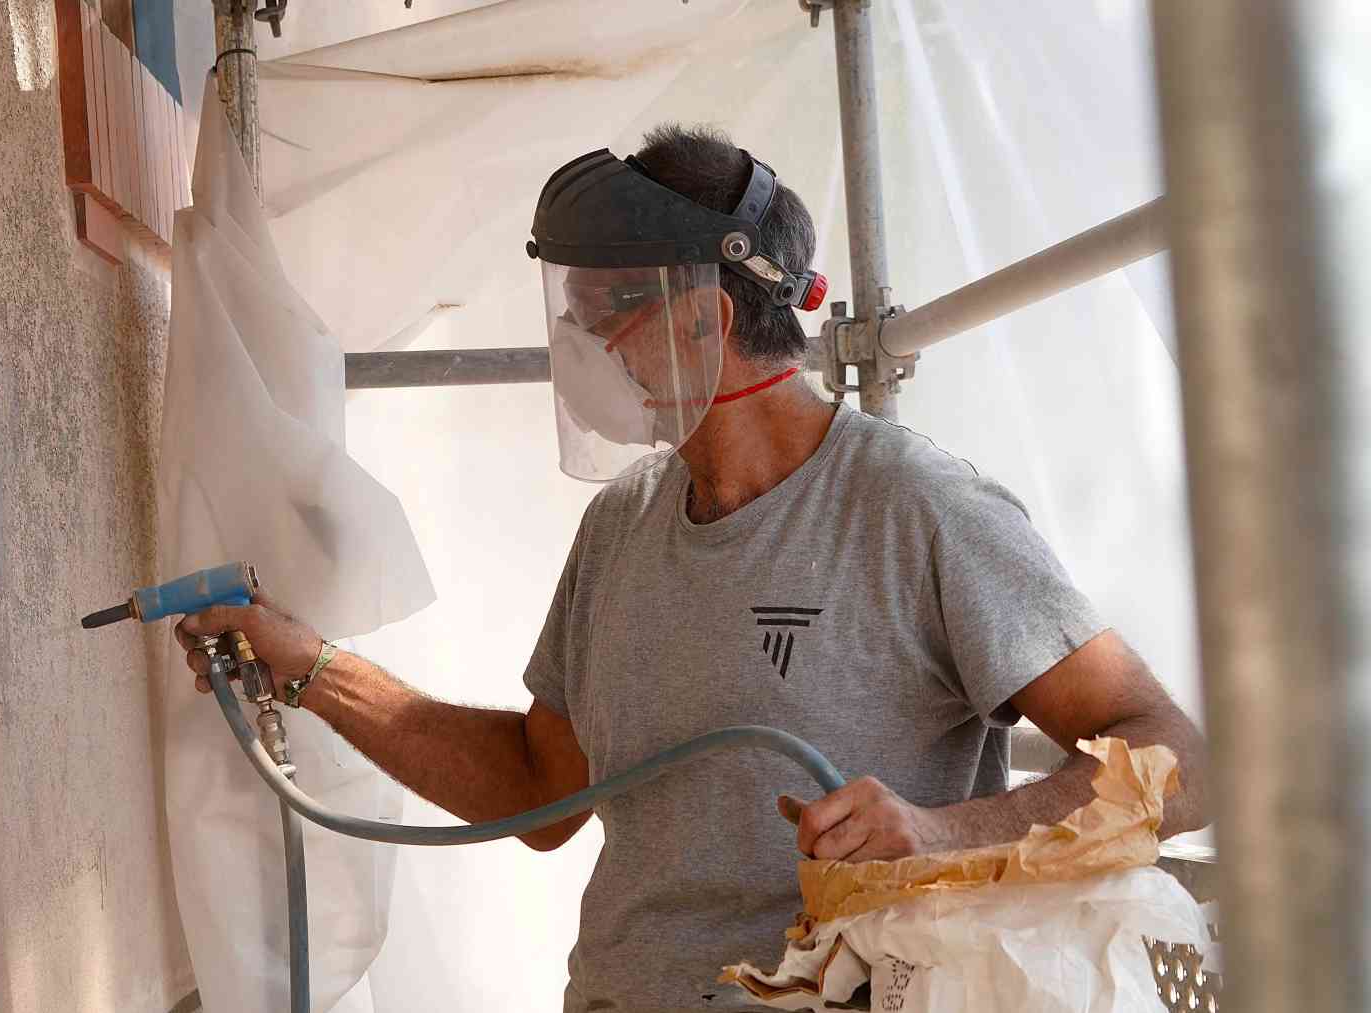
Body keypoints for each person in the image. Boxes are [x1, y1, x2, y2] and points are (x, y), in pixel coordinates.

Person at [176, 123, 1209, 1013]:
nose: (573, 344)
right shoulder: (623, 523)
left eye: (596, 317)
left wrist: (942, 832)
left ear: (702, 318)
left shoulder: (914, 508)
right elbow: (541, 789)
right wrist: (309, 664)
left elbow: (1178, 755)